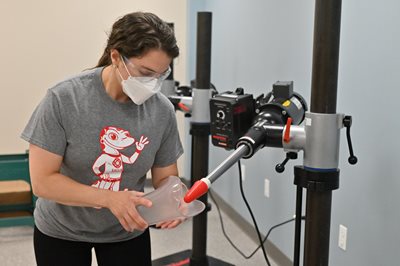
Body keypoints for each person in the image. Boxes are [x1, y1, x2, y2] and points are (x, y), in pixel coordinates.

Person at [21, 11, 184, 266]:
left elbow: (166, 175)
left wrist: (173, 196)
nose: (153, 83)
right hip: (62, 231)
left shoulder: (161, 110)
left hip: (127, 229)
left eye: (160, 75)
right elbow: (43, 183)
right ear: (116, 57)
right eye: (145, 72)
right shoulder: (64, 99)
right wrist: (109, 198)